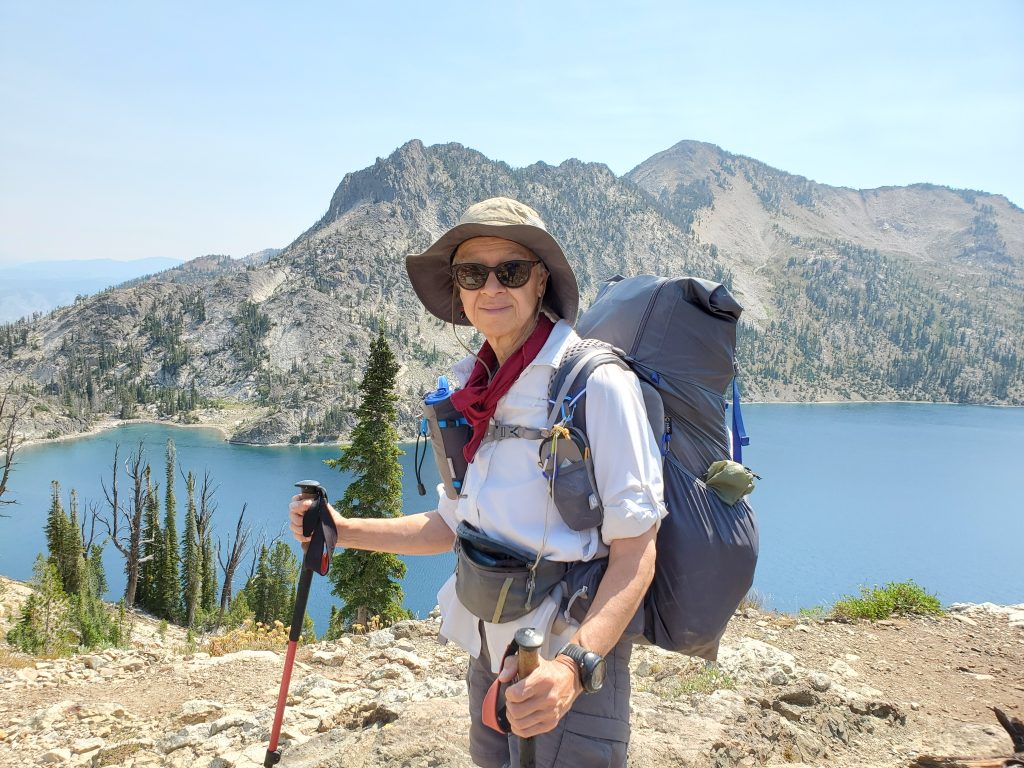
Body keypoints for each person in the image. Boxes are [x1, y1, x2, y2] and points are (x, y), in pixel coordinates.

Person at [289, 197, 666, 768]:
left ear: (540, 281)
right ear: (460, 292)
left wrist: (574, 668)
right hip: (488, 648)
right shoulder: (472, 389)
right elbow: (452, 525)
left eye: (510, 271)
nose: (492, 286)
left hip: (563, 657)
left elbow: (638, 551)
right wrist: (342, 530)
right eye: (473, 273)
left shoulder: (595, 384)